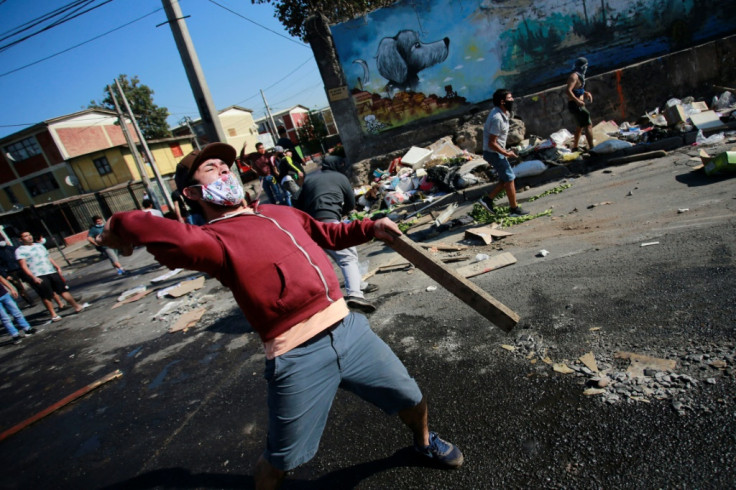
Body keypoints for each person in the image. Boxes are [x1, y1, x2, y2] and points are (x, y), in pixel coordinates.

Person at [96, 143, 463, 488]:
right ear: (192, 193)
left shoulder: (279, 212)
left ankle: (424, 442)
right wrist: (114, 232)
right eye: (212, 169)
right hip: (297, 355)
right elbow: (143, 225)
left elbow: (327, 233)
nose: (225, 172)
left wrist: (371, 227)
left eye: (227, 167)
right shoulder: (210, 241)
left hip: (350, 329)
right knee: (280, 460)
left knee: (411, 397)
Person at [296, 157, 379, 314]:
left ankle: (359, 285)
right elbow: (350, 203)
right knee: (347, 257)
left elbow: (297, 202)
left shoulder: (310, 179)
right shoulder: (341, 178)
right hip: (329, 222)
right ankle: (355, 294)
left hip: (309, 226)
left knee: (337, 256)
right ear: (337, 165)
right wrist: (341, 212)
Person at [478, 89, 530, 217]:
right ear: (502, 101)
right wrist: (506, 153)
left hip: (496, 152)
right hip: (493, 153)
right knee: (510, 178)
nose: (512, 100)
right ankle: (514, 209)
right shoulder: (497, 118)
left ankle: (487, 200)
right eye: (510, 98)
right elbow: (492, 143)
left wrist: (505, 151)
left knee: (505, 178)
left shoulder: (501, 113)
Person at [15, 230, 85, 322]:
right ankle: (53, 314)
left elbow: (48, 257)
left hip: (51, 271)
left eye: (29, 235)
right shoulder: (20, 250)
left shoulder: (39, 245)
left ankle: (76, 306)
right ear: (20, 239)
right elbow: (23, 266)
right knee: (46, 295)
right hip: (38, 275)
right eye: (25, 236)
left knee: (63, 290)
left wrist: (56, 266)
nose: (29, 237)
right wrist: (33, 277)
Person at [566, 56, 594, 150]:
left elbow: (578, 89)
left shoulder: (580, 76)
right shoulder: (574, 76)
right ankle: (592, 148)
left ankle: (575, 147)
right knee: (588, 125)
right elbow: (568, 90)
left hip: (577, 104)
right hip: (575, 105)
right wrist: (577, 100)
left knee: (580, 126)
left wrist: (586, 93)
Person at [0, 275, 36, 344]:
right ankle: (15, 335)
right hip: (4, 295)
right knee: (5, 318)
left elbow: (1, 279)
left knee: (16, 312)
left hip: (4, 294)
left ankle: (27, 328)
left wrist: (12, 289)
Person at [0, 240, 34, 307]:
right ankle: (30, 301)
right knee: (20, 288)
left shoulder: (12, 248)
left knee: (32, 282)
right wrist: (5, 275)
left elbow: (21, 257)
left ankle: (42, 295)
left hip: (21, 269)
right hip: (10, 272)